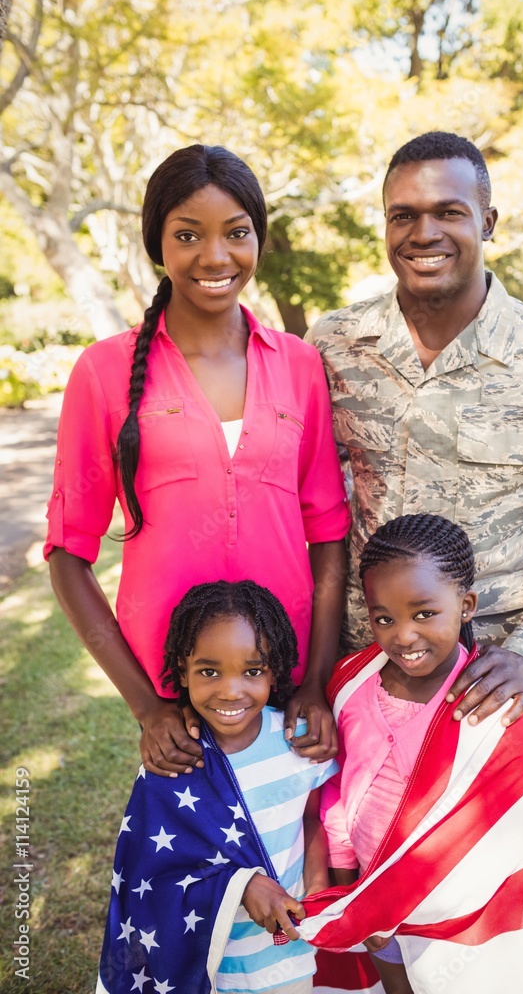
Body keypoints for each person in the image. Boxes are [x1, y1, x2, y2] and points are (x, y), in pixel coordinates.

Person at [306, 131, 523, 994]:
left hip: (494, 699)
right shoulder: (334, 349)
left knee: (496, 925)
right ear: (383, 228)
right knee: (360, 909)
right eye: (403, 215)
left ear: (487, 218)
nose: (425, 231)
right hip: (364, 697)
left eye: (448, 212)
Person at [45, 144, 349, 777]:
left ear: (258, 240)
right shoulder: (103, 373)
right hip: (175, 701)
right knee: (193, 868)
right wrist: (147, 706)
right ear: (159, 244)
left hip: (283, 688)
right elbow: (69, 555)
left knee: (297, 863)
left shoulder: (299, 365)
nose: (215, 256)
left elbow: (326, 534)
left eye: (237, 233)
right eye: (188, 235)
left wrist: (315, 682)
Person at [298, 514, 523, 994]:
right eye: (384, 619)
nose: (403, 636)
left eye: (424, 614)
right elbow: (338, 782)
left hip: (451, 916)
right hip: (372, 896)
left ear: (466, 605)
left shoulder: (489, 711)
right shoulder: (353, 684)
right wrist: (348, 873)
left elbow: (507, 836)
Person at [98, 579, 338, 994]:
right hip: (204, 964)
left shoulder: (297, 743)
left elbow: (313, 818)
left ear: (275, 670)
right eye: (209, 671)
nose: (231, 690)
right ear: (182, 670)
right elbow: (151, 879)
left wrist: (317, 886)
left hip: (286, 958)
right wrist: (242, 885)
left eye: (252, 671)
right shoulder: (172, 760)